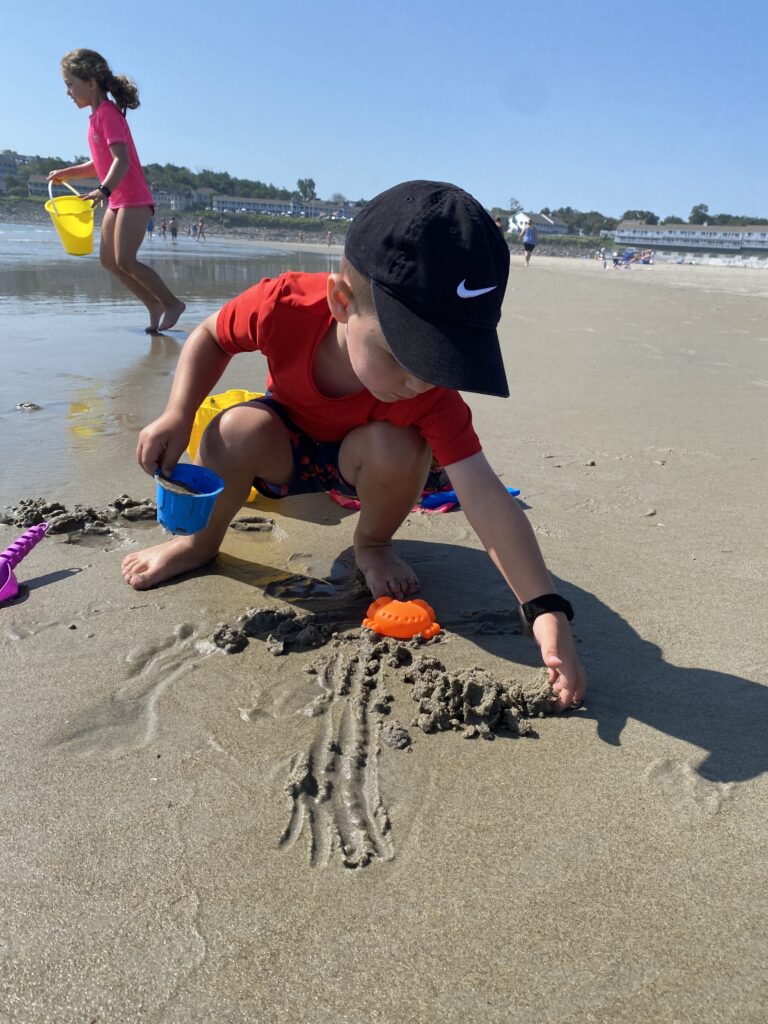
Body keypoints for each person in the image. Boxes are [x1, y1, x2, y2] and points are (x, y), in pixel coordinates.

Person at [121, 180, 586, 710]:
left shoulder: (432, 397)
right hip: (287, 446)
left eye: (444, 362)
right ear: (341, 302)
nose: (421, 381)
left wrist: (543, 606)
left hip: (367, 469)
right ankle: (200, 544)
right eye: (406, 355)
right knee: (231, 430)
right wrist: (178, 414)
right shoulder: (285, 305)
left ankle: (374, 544)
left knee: (399, 445)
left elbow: (483, 492)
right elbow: (210, 336)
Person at [47, 49, 185, 334]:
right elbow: (100, 163)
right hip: (117, 200)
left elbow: (121, 161)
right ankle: (153, 304)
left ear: (91, 82)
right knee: (109, 261)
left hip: (133, 198)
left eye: (71, 84)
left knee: (125, 260)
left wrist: (103, 190)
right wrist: (67, 173)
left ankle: (172, 303)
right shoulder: (96, 117)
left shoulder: (108, 114)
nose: (68, 92)